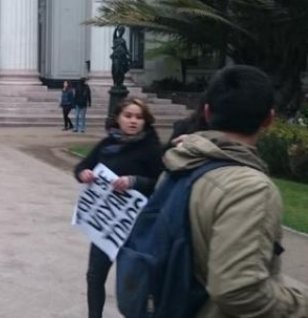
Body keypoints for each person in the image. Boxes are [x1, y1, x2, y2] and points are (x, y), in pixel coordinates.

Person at [163, 66, 308, 317]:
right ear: (269, 119)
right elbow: (238, 291)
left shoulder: (178, 165)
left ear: (207, 112)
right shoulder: (249, 188)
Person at [73, 97, 164, 318]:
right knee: (95, 275)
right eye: (128, 116)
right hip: (106, 226)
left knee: (133, 279)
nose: (133, 121)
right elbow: (83, 166)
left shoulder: (152, 148)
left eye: (139, 117)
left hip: (136, 227)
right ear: (118, 118)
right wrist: (83, 174)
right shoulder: (107, 145)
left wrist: (134, 181)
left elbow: (160, 183)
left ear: (145, 121)